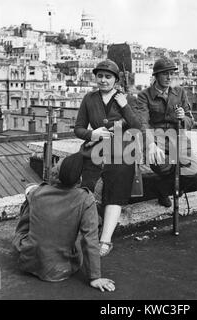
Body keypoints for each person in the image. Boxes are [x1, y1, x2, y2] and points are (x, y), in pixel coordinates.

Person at [12, 152, 115, 292]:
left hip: (30, 262)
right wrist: (95, 277)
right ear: (79, 177)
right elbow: (89, 238)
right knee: (82, 233)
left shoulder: (37, 192)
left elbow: (23, 227)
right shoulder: (85, 198)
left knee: (30, 193)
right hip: (62, 269)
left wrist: (30, 195)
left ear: (57, 172)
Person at [74, 59, 141, 257]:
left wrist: (124, 106)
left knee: (116, 190)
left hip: (122, 150)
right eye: (100, 76)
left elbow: (137, 126)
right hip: (96, 149)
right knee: (87, 188)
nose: (103, 80)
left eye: (108, 77)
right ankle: (88, 232)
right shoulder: (89, 98)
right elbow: (78, 128)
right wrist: (92, 135)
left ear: (116, 80)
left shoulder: (126, 98)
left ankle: (105, 239)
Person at [136, 57, 197, 207]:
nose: (169, 77)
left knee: (196, 172)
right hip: (156, 141)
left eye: (171, 73)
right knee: (162, 165)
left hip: (179, 140)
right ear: (156, 75)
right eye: (164, 74)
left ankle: (163, 189)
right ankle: (171, 185)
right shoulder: (144, 95)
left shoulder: (180, 93)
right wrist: (151, 145)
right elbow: (143, 123)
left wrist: (183, 118)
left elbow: (190, 120)